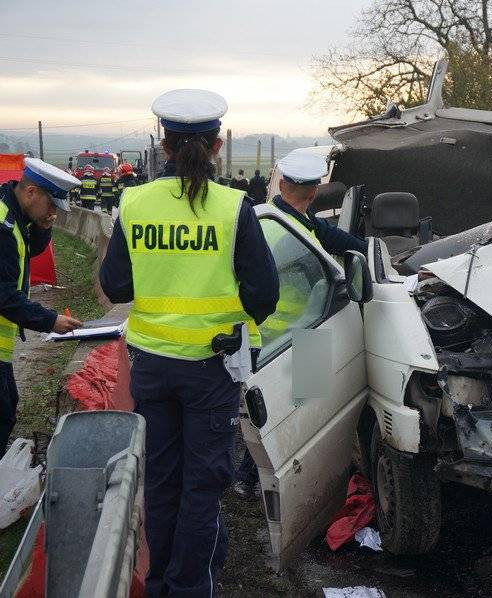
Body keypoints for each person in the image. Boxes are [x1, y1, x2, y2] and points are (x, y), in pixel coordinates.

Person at [99, 89, 279, 597]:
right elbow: (264, 294)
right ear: (217, 145)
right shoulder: (234, 206)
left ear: (164, 142)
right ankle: (189, 588)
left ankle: (160, 585)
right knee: (202, 487)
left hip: (152, 366)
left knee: (161, 482)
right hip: (212, 369)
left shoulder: (133, 202)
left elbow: (116, 288)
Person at [232, 150, 365, 500]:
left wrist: (375, 253)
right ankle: (256, 477)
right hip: (291, 330)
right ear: (315, 189)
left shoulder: (292, 220)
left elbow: (344, 243)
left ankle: (262, 475)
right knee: (291, 411)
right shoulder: (283, 229)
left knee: (290, 410)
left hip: (298, 328)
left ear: (283, 183)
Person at [1, 159, 83, 455]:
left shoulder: (13, 213)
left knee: (7, 406)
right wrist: (50, 321)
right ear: (32, 191)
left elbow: (29, 249)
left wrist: (44, 226)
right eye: (51, 206)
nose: (53, 213)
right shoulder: (2, 224)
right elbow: (4, 295)